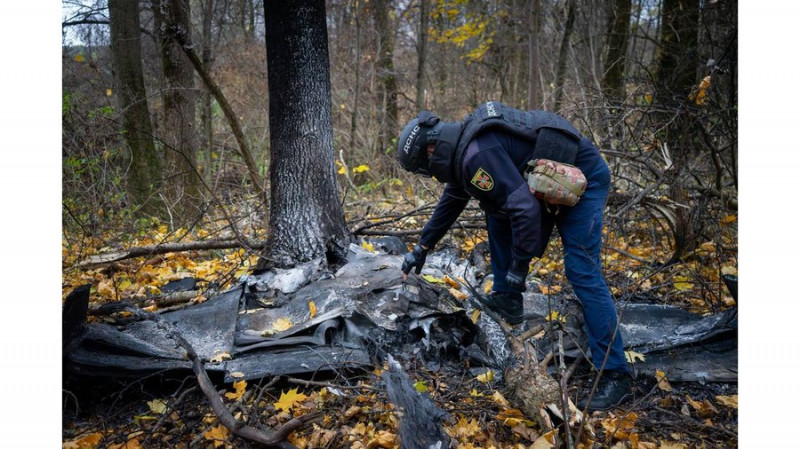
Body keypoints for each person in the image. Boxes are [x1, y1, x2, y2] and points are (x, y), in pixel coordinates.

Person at [396, 101, 632, 411]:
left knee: (581, 271)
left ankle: (616, 373)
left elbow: (525, 209)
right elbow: (452, 200)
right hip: (548, 182)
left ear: (429, 152)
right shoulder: (465, 150)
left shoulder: (476, 155)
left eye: (422, 169)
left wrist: (518, 270)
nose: (428, 174)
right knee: (496, 211)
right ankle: (508, 300)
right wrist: (421, 249)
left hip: (582, 178)